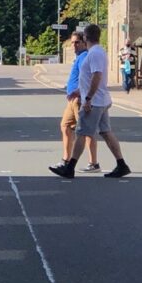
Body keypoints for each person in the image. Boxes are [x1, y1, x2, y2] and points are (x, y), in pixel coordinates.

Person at [48, 23, 131, 179]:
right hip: (100, 100)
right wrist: (80, 91)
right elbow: (89, 78)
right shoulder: (97, 52)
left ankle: (70, 167)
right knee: (106, 132)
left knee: (81, 133)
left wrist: (87, 98)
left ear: (86, 37)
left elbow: (97, 76)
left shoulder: (94, 54)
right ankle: (122, 165)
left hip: (95, 102)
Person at [51, 32, 100, 173]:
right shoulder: (79, 57)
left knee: (86, 131)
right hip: (72, 100)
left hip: (79, 99)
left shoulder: (85, 57)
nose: (74, 45)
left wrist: (80, 92)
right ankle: (65, 160)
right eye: (72, 42)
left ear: (84, 43)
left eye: (77, 42)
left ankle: (93, 163)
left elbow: (91, 77)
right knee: (65, 126)